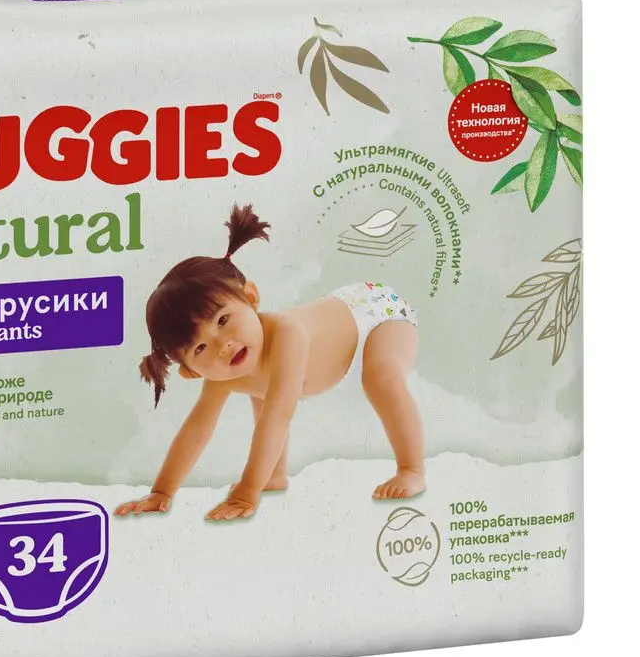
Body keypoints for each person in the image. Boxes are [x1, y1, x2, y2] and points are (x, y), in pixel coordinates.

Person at [115, 204, 425, 522]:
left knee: (380, 377)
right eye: (201, 347)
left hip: (377, 314)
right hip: (339, 333)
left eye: (223, 320)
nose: (224, 346)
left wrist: (246, 491)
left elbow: (278, 417)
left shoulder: (289, 335)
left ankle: (412, 469)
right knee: (260, 388)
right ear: (192, 372)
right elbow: (198, 427)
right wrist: (162, 492)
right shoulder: (223, 373)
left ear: (251, 297)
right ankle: (274, 474)